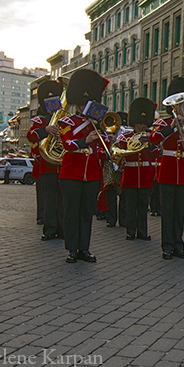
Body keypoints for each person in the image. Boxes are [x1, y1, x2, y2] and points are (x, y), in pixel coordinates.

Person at [57, 69, 109, 264]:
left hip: (92, 174)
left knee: (87, 212)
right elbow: (67, 144)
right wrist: (85, 140)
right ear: (77, 103)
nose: (84, 106)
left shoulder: (98, 124)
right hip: (71, 173)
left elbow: (104, 151)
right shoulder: (67, 122)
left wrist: (101, 136)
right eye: (82, 102)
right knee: (72, 212)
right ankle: (71, 248)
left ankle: (84, 249)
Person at [150, 77, 184, 260]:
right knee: (167, 212)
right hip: (167, 173)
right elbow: (153, 140)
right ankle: (167, 246)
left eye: (183, 104)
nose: (180, 107)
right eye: (177, 105)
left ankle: (178, 245)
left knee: (180, 212)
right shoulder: (163, 124)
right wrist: (172, 127)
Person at [27, 79, 65, 241]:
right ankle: (49, 229)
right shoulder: (40, 121)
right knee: (49, 200)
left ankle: (62, 230)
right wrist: (45, 130)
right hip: (47, 166)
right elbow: (30, 136)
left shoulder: (66, 121)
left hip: (63, 166)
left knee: (63, 200)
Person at [118, 97, 157, 241]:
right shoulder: (126, 137)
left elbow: (155, 154)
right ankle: (130, 231)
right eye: (139, 123)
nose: (141, 126)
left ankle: (142, 232)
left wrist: (151, 143)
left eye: (144, 123)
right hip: (131, 174)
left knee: (142, 206)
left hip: (145, 176)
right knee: (130, 205)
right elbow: (119, 152)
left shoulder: (150, 137)